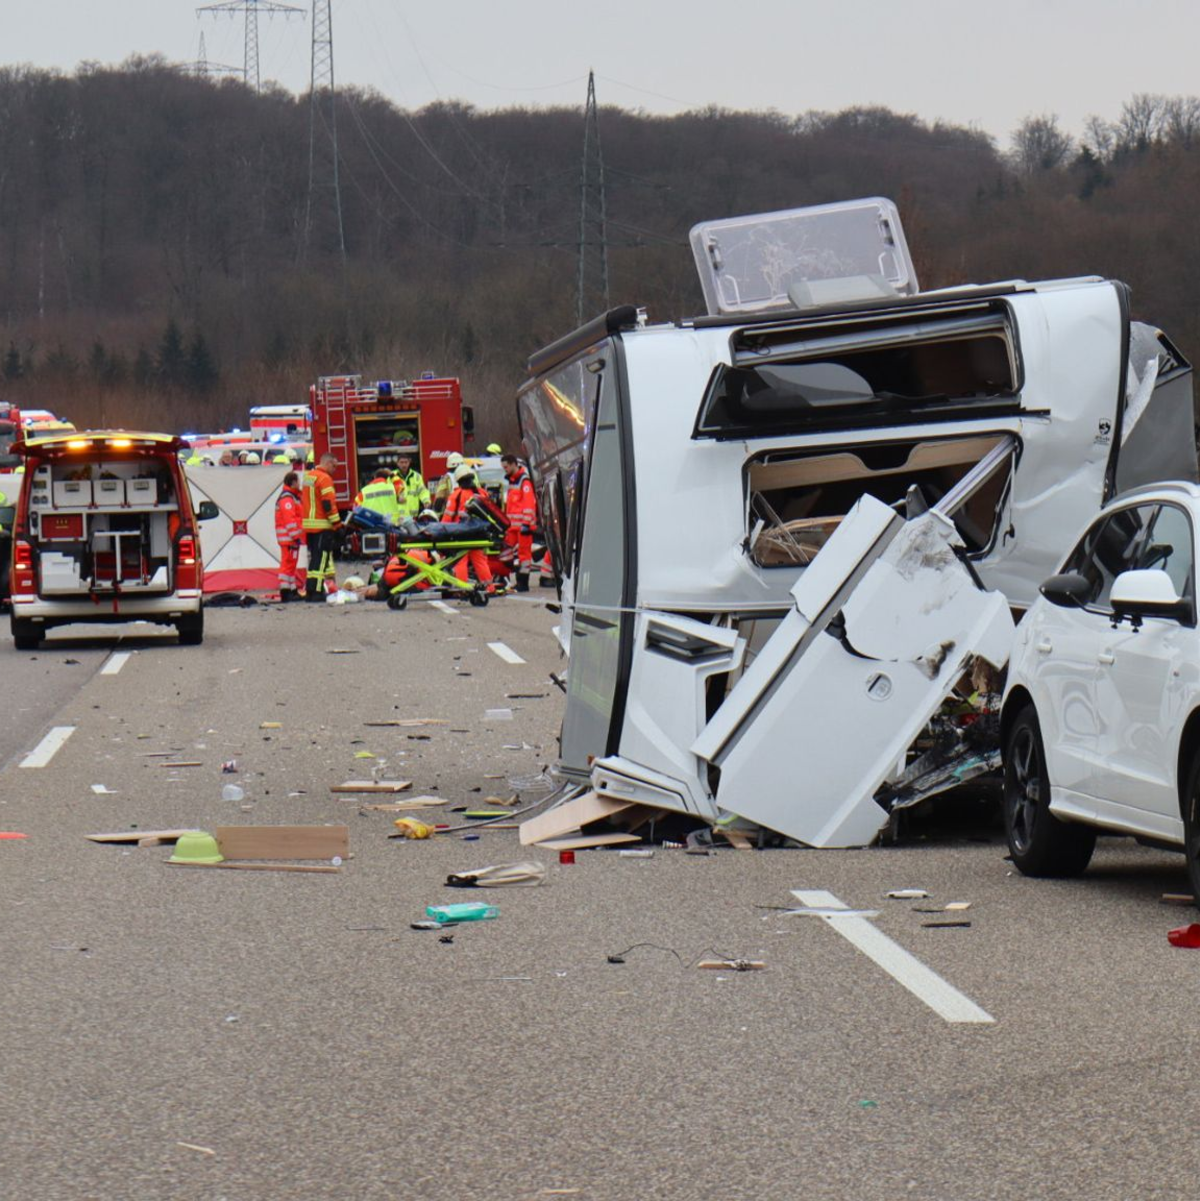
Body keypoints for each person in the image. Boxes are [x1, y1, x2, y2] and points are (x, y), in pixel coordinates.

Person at [443, 465, 494, 590]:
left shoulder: (457, 495)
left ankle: (463, 589)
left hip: (460, 534)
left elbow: (447, 518)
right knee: (480, 561)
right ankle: (489, 588)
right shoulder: (481, 493)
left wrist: (442, 532)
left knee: (460, 561)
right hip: (479, 534)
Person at [301, 452, 342, 601]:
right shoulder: (325, 478)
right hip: (322, 525)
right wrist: (338, 525)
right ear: (328, 463)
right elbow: (328, 504)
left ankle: (311, 590)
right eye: (334, 466)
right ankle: (317, 592)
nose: (335, 469)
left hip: (310, 525)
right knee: (321, 560)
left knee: (314, 560)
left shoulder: (309, 476)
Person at [501, 454, 537, 592]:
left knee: (524, 555)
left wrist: (526, 524)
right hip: (513, 526)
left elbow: (529, 504)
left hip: (523, 526)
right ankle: (508, 578)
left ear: (513, 464)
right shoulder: (513, 480)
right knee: (506, 550)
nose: (504, 470)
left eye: (506, 467)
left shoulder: (524, 481)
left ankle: (523, 582)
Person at [274, 471, 305, 602]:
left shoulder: (292, 497)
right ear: (293, 482)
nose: (299, 484)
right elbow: (290, 519)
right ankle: (285, 592)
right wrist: (295, 535)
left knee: (291, 566)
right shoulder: (287, 498)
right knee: (287, 566)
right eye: (298, 481)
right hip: (289, 538)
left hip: (291, 538)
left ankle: (291, 590)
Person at [391, 452, 430, 520]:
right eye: (401, 462)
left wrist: (426, 501)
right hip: (398, 517)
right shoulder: (392, 476)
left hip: (413, 516)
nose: (404, 465)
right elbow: (389, 493)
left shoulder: (416, 476)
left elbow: (422, 491)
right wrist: (397, 498)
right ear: (397, 463)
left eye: (406, 462)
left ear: (409, 462)